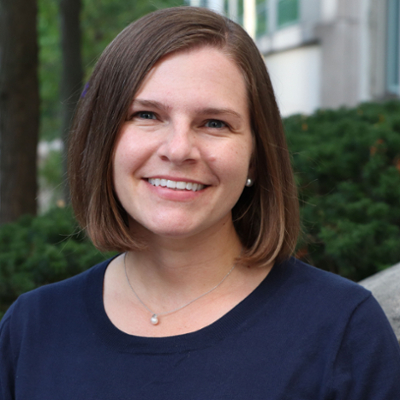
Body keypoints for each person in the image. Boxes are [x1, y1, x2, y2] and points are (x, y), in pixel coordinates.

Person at [1, 6, 399, 399]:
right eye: (147, 115)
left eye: (214, 123)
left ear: (256, 158)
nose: (178, 150)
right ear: (103, 140)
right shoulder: (31, 328)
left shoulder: (343, 332)